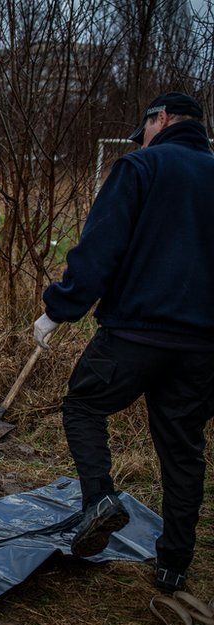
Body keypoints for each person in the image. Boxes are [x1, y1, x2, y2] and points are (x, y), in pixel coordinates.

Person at [33, 92, 213, 593]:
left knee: (83, 406)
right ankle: (174, 563)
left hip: (135, 333)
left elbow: (100, 248)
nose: (143, 139)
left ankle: (99, 502)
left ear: (160, 119)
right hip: (202, 347)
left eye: (145, 129)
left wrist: (59, 309)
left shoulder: (140, 168)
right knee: (183, 449)